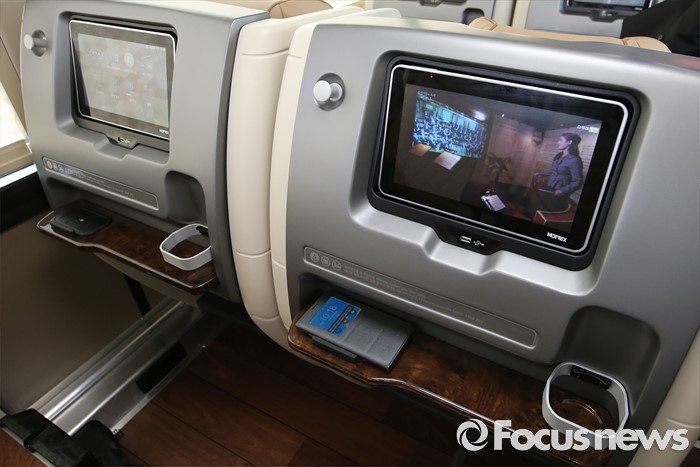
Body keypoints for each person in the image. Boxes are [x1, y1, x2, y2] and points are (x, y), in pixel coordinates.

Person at [533, 133, 584, 212]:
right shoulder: (559, 156)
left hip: (559, 193)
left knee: (550, 212)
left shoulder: (575, 160)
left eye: (560, 140)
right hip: (549, 188)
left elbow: (578, 181)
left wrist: (563, 191)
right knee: (539, 208)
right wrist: (541, 174)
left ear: (569, 142)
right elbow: (555, 171)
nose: (558, 142)